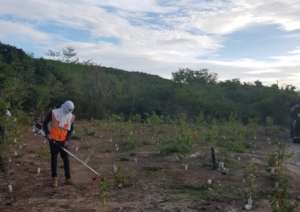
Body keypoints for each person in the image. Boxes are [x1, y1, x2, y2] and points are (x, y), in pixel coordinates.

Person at [43, 100, 75, 188]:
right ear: (63, 106)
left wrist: (67, 140)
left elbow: (71, 129)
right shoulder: (53, 113)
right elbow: (45, 123)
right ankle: (54, 179)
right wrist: (47, 133)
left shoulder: (71, 116)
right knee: (54, 159)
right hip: (53, 140)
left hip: (64, 141)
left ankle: (68, 178)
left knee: (66, 159)